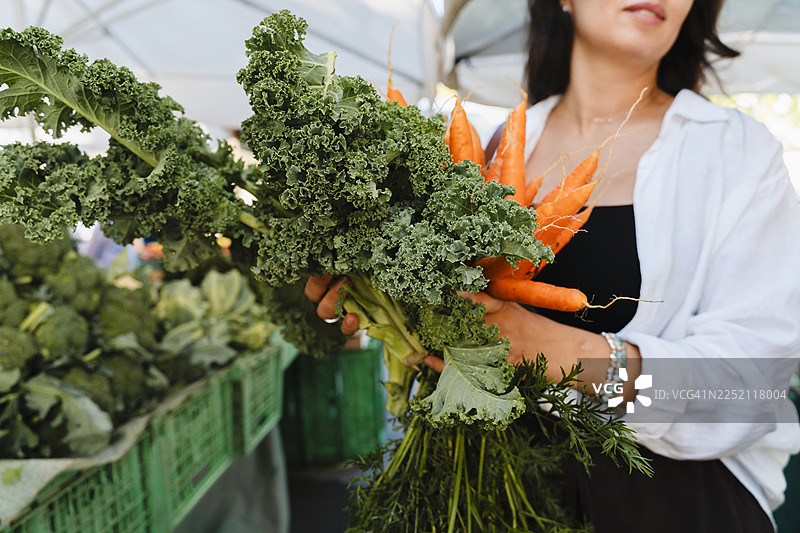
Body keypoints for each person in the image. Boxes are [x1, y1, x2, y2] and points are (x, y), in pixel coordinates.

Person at [307, 0, 800, 531]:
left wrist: (556, 350)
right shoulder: (494, 145)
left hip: (679, 505)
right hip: (497, 497)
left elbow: (752, 387)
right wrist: (376, 295)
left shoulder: (735, 152)